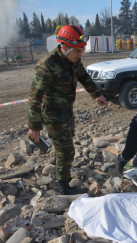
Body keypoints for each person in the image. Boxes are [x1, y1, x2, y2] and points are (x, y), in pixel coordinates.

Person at [28, 24, 107, 195]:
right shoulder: (47, 65)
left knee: (65, 143)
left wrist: (96, 95)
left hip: (66, 111)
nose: (80, 55)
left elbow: (83, 76)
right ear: (64, 47)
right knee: (67, 150)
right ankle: (63, 186)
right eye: (77, 51)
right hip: (52, 114)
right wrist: (34, 126)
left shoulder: (74, 60)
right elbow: (35, 96)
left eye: (82, 51)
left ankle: (60, 166)